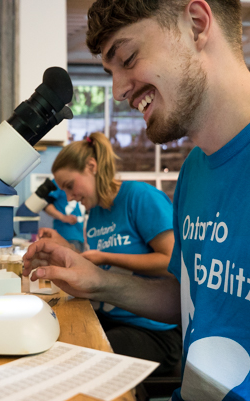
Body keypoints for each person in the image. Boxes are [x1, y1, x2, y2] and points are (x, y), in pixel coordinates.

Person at [23, 0, 250, 400]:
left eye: (127, 57)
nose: (119, 90)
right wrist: (98, 281)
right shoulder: (193, 171)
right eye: (110, 72)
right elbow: (188, 298)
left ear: (196, 22)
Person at [40, 132, 182, 375]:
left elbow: (173, 261)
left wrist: (106, 257)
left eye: (69, 186)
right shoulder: (95, 214)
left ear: (91, 167)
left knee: (85, 359)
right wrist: (67, 248)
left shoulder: (138, 197)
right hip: (112, 317)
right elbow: (99, 268)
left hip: (155, 330)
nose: (69, 197)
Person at [41, 180, 86, 252]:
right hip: (65, 235)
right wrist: (63, 217)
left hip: (80, 236)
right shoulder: (59, 181)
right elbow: (44, 203)